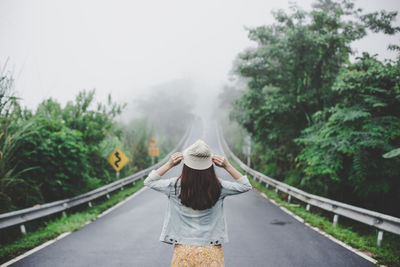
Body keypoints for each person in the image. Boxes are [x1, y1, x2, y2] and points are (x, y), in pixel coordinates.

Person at [144, 139, 252, 266]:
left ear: (186, 165)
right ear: (209, 166)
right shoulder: (219, 187)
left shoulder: (174, 186)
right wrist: (227, 166)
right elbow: (246, 186)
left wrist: (169, 164)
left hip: (183, 252)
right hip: (211, 251)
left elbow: (149, 181)